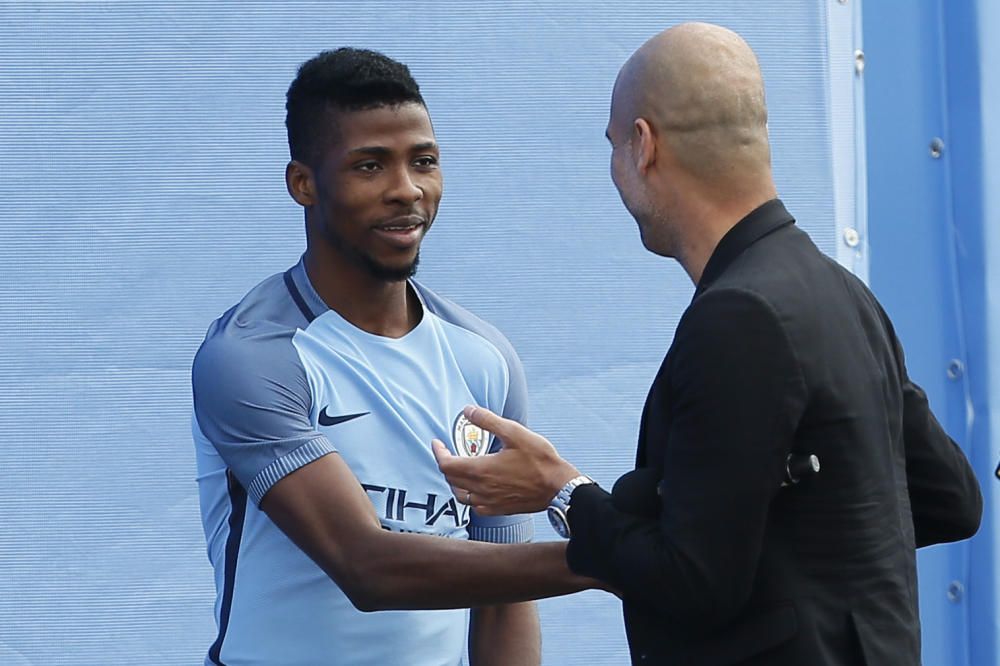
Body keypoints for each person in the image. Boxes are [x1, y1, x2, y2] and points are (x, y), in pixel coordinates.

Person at [434, 22, 983, 666]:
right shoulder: (842, 293)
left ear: (643, 146)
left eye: (612, 146)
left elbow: (693, 583)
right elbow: (950, 500)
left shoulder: (738, 317)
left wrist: (562, 490)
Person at [191, 48, 599, 666]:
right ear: (304, 183)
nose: (406, 190)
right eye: (370, 166)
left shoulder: (483, 359)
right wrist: (617, 555)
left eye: (424, 162)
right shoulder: (252, 357)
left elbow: (503, 587)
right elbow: (367, 567)